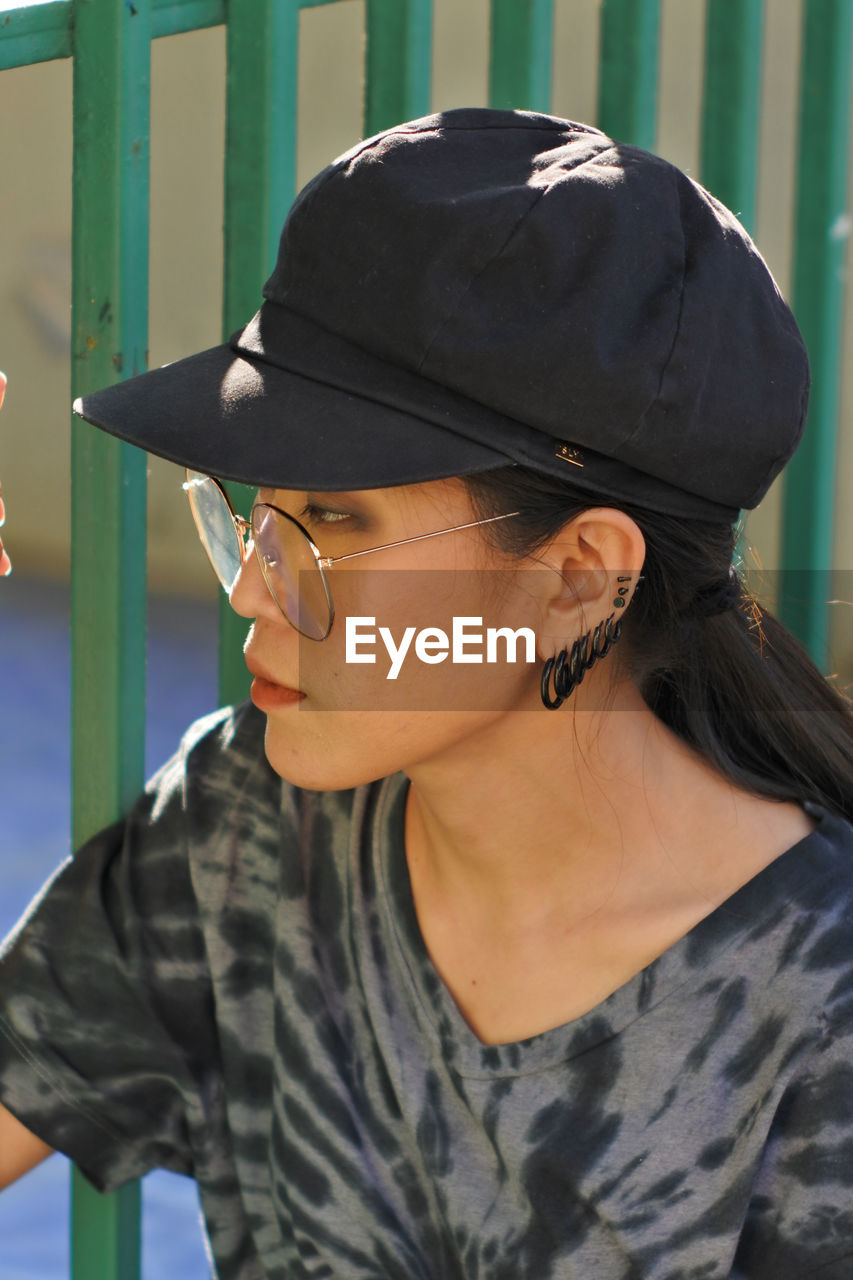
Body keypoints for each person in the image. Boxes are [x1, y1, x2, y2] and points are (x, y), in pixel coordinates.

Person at [1, 108, 852, 1279]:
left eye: (336, 522)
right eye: (260, 512)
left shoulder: (818, 1015)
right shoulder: (249, 825)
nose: (252, 590)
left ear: (577, 578)